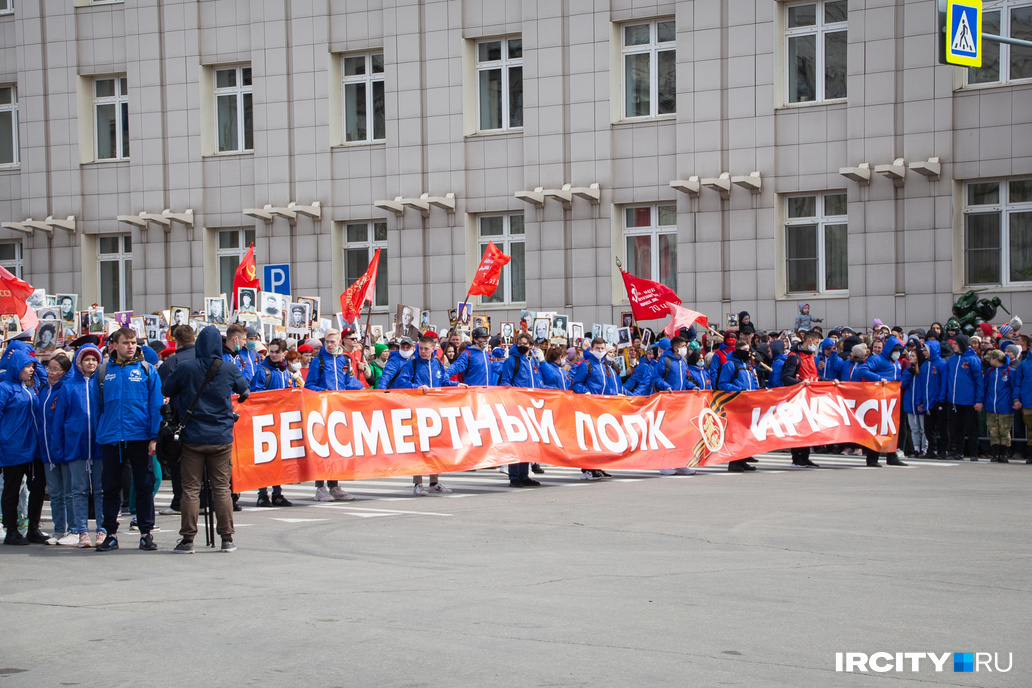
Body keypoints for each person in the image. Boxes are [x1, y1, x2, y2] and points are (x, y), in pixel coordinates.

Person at [162, 326, 251, 554]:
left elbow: (167, 388)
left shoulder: (185, 367)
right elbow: (245, 390)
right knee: (221, 488)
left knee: (191, 489)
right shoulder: (228, 368)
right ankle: (227, 538)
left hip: (192, 435)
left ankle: (188, 539)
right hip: (220, 435)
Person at [94, 327, 164, 551]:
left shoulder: (147, 370)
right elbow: (97, 407)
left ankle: (146, 533)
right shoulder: (103, 372)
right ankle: (110, 534)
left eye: (133, 342)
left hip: (140, 437)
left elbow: (156, 405)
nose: (131, 346)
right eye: (126, 343)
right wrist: (101, 434)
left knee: (144, 486)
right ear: (115, 345)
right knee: (111, 487)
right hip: (111, 439)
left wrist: (154, 437)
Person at [52, 344, 105, 548]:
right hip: (75, 445)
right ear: (79, 362)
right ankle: (82, 531)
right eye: (87, 359)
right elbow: (59, 419)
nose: (90, 363)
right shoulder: (68, 386)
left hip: (99, 445)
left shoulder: (101, 384)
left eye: (94, 359)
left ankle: (102, 529)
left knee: (100, 490)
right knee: (79, 490)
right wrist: (58, 447)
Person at [394, 335, 457, 495]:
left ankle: (434, 481)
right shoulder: (413, 364)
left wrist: (457, 385)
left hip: (435, 411)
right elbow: (400, 381)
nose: (422, 351)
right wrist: (417, 387)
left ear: (433, 349)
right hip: (418, 410)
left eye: (426, 349)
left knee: (435, 446)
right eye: (420, 348)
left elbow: (443, 382)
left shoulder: (437, 363)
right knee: (420, 447)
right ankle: (418, 483)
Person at [306, 328, 363, 501]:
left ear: (339, 341)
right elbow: (309, 385)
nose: (330, 345)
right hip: (322, 410)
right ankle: (320, 487)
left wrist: (361, 388)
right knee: (322, 449)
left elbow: (348, 382)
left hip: (339, 410)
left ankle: (334, 485)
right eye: (327, 342)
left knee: (336, 449)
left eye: (333, 342)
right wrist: (322, 391)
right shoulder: (319, 361)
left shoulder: (345, 359)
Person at [0, 350, 45, 545]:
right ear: (17, 367)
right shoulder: (4, 388)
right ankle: (11, 529)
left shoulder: (30, 388)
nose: (32, 370)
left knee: (37, 487)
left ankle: (33, 528)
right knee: (12, 489)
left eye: (33, 367)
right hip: (13, 447)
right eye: (28, 366)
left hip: (33, 448)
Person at [496, 332, 550, 486]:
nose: (521, 346)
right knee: (517, 441)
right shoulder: (512, 360)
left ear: (530, 345)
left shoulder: (532, 360)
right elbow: (505, 382)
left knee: (528, 441)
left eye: (525, 343)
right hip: (517, 406)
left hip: (531, 406)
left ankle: (524, 474)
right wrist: (513, 399)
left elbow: (537, 382)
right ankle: (514, 476)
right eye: (519, 343)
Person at [249, 339, 296, 507]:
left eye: (277, 352)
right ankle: (262, 494)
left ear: (284, 353)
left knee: (279, 459)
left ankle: (277, 492)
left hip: (282, 420)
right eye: (272, 351)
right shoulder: (263, 371)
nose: (274, 354)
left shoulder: (287, 372)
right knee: (265, 459)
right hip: (266, 420)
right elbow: (256, 395)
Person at [38, 354, 76, 545]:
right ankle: (58, 529)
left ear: (65, 372)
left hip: (64, 448)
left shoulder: (66, 389)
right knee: (54, 492)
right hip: (47, 450)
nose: (51, 373)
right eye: (49, 369)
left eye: (56, 370)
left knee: (69, 491)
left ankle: (74, 529)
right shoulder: (45, 389)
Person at [859, 336, 907, 467]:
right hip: (879, 398)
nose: (897, 353)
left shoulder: (896, 363)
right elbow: (863, 370)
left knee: (892, 428)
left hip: (892, 400)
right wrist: (879, 378)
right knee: (877, 428)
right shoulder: (877, 359)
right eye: (895, 351)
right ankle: (872, 457)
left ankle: (891, 456)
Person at [780, 330, 822, 468]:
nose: (816, 346)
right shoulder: (794, 356)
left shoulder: (810, 356)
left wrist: (830, 381)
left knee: (809, 427)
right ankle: (796, 457)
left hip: (810, 398)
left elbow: (814, 377)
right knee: (799, 426)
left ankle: (805, 456)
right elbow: (786, 377)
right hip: (798, 398)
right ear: (809, 341)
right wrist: (800, 384)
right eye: (816, 343)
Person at [717, 339, 759, 473]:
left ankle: (742, 459)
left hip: (748, 402)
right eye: (746, 350)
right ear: (739, 350)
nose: (749, 353)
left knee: (746, 432)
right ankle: (734, 462)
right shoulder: (730, 365)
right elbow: (722, 384)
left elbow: (753, 380)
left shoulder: (747, 365)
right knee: (736, 433)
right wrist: (739, 390)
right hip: (735, 403)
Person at [945, 334, 983, 461]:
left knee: (971, 427)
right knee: (956, 427)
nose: (953, 346)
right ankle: (957, 451)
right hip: (954, 400)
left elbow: (979, 381)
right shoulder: (953, 359)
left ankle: (973, 452)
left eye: (955, 344)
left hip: (969, 400)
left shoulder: (973, 359)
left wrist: (979, 400)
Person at [982, 349, 1020, 463]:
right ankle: (995, 453)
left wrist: (1015, 400)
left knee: (1004, 431)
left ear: (996, 359)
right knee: (993, 431)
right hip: (991, 406)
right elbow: (985, 386)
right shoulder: (989, 371)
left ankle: (1004, 454)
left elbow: (1015, 387)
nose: (989, 361)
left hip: (1005, 406)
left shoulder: (1010, 371)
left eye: (991, 358)